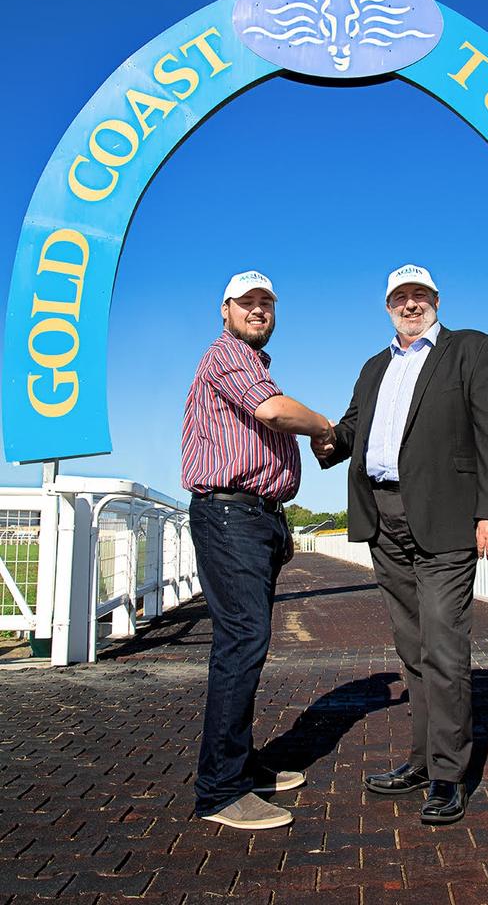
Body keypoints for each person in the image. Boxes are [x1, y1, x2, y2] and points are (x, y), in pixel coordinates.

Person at [313, 263, 488, 825]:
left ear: (436, 299)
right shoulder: (374, 366)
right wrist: (317, 433)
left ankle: (449, 775)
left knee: (445, 650)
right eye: (399, 297)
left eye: (419, 295)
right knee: (412, 651)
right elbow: (351, 430)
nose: (410, 304)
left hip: (447, 521)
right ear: (386, 306)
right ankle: (421, 761)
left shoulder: (473, 350)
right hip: (384, 520)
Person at [182, 269, 334, 830]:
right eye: (246, 302)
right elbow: (273, 413)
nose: (258, 310)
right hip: (228, 513)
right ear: (224, 311)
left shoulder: (255, 364)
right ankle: (220, 791)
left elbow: (264, 436)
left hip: (255, 515)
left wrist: (276, 522)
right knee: (243, 639)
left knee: (248, 640)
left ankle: (241, 765)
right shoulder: (225, 355)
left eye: (266, 302)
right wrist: (324, 427)